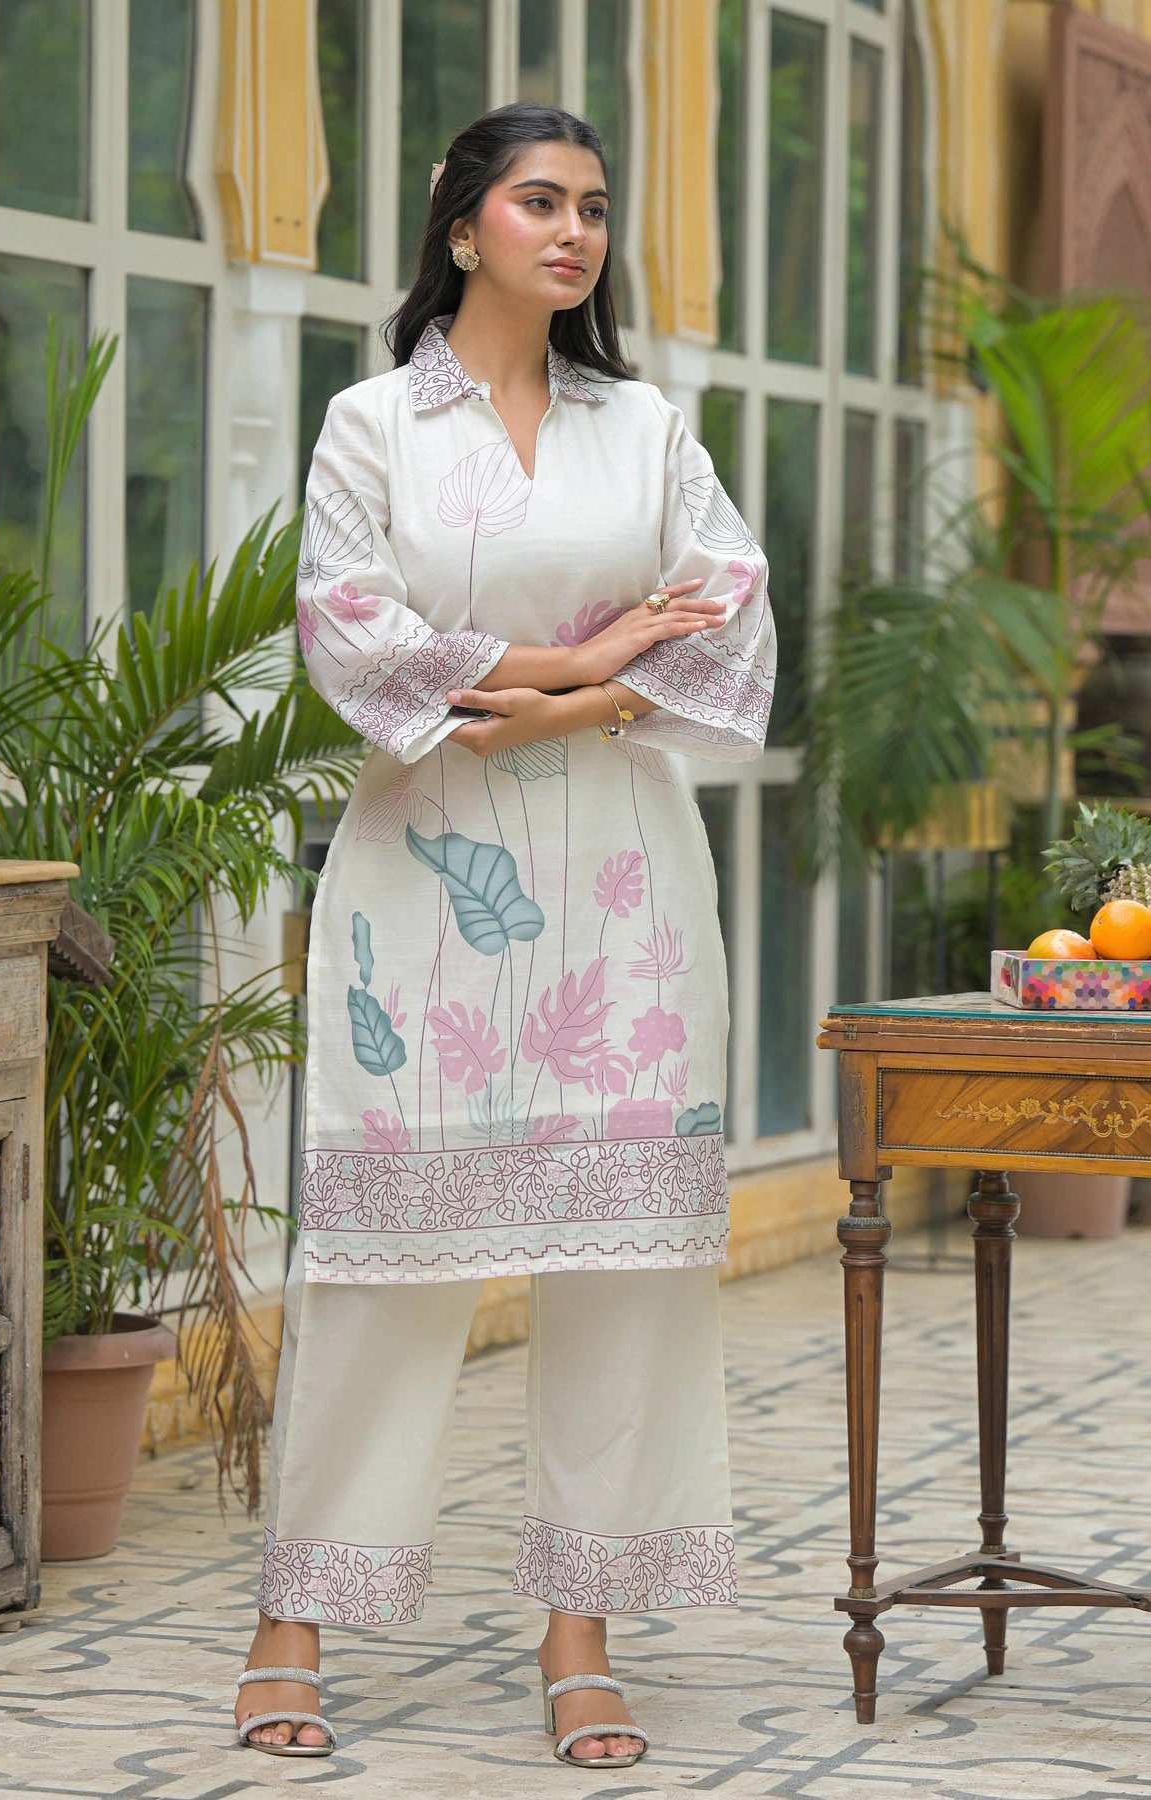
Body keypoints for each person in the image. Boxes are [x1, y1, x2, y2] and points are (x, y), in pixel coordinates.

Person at [234, 100, 775, 1769]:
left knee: (623, 1273)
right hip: (425, 912)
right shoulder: (371, 426)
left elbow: (730, 624)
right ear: (464, 226)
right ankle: (291, 1622)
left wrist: (531, 687)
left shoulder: (647, 427)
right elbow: (363, 646)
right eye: (540, 200)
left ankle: (581, 1635)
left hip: (627, 899)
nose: (575, 231)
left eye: (595, 208)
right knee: (381, 1270)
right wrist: (605, 651)